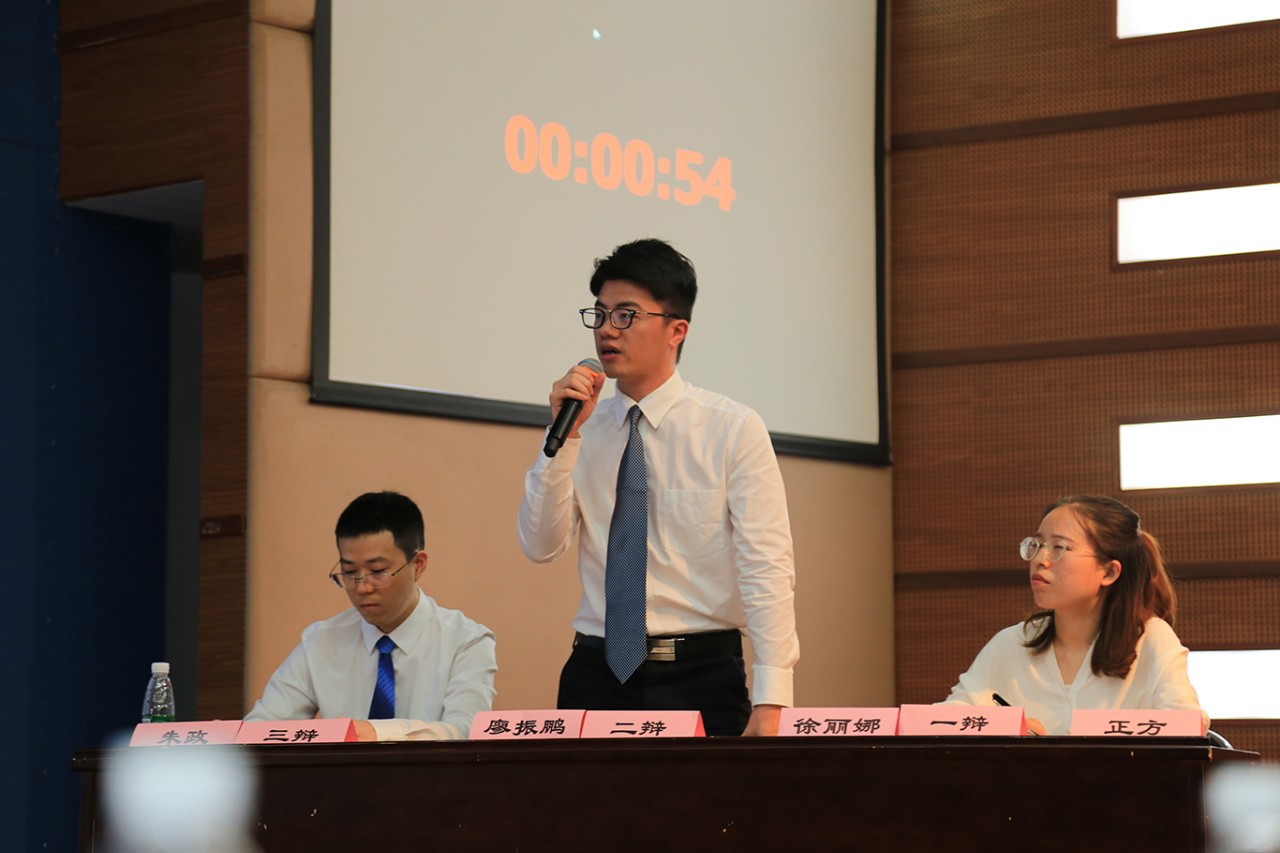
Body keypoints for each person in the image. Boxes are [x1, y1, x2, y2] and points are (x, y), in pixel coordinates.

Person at [517, 238, 798, 737]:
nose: (607, 329)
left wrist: (773, 696)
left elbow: (766, 566)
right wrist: (563, 440)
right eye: (600, 314)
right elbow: (540, 545)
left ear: (676, 330)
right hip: (594, 673)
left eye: (626, 315)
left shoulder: (731, 428)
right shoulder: (581, 428)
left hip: (700, 675)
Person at [941, 494, 1207, 735]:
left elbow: (1187, 723)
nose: (1039, 560)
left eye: (1058, 547)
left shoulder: (1149, 637)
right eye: (1038, 545)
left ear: (1109, 572)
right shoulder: (1012, 643)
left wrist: (1099, 733)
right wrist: (1001, 725)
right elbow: (940, 721)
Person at [246, 491, 497, 740]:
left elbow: (466, 731)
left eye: (377, 571)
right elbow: (259, 730)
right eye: (349, 572)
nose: (362, 587)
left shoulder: (466, 641)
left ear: (418, 565)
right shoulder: (321, 641)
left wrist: (375, 733)